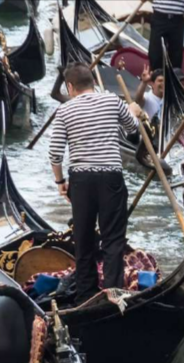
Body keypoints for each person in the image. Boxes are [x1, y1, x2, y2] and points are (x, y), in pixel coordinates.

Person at [49, 63, 144, 303]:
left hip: (81, 180)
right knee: (113, 238)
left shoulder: (65, 111)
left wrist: (60, 181)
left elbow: (55, 154)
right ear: (92, 82)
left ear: (69, 87)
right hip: (110, 177)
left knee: (83, 239)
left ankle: (86, 295)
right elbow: (132, 127)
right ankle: (113, 293)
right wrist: (133, 109)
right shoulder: (112, 101)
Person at [149, 0, 184, 76]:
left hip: (177, 21)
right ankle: (157, 82)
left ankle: (174, 83)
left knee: (176, 57)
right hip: (159, 18)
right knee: (156, 54)